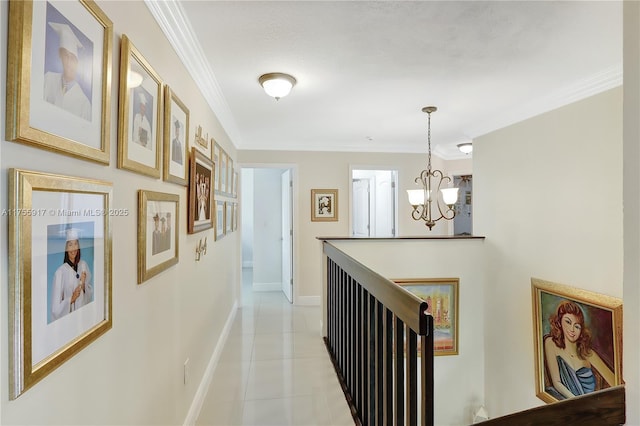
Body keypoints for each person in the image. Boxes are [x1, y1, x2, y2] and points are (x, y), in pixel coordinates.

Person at [543, 300, 615, 400]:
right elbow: (557, 383)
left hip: (592, 406)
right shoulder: (550, 343)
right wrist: (578, 404)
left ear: (581, 330)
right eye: (568, 322)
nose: (572, 329)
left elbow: (616, 383)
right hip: (575, 406)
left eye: (577, 326)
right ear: (559, 322)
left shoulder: (588, 354)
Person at [43, 22, 92, 121]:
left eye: (73, 58)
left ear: (77, 63)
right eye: (66, 55)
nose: (69, 62)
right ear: (60, 55)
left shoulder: (84, 103)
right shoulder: (48, 79)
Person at [50, 229, 93, 321]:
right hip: (69, 322)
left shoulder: (83, 265)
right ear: (66, 248)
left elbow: (90, 296)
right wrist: (71, 299)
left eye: (75, 244)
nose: (73, 248)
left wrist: (84, 285)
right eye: (70, 245)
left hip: (83, 318)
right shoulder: (60, 273)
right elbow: (55, 310)